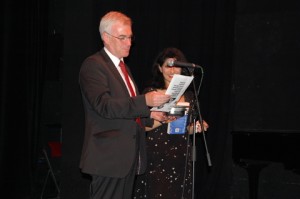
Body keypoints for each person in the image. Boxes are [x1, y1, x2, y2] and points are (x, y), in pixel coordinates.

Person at [78, 11, 171, 199]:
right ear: (105, 37)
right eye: (122, 37)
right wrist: (145, 101)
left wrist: (149, 115)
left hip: (127, 158)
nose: (129, 43)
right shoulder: (93, 65)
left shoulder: (123, 67)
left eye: (130, 37)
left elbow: (126, 109)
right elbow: (104, 106)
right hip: (109, 159)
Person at [133, 47, 209, 199]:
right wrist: (165, 118)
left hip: (181, 156)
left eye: (176, 65)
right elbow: (143, 126)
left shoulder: (189, 96)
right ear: (160, 68)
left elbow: (183, 129)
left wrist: (196, 127)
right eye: (168, 65)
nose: (172, 70)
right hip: (156, 156)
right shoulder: (151, 94)